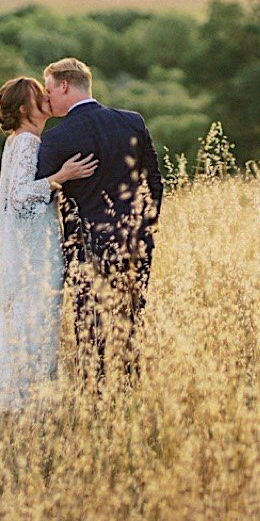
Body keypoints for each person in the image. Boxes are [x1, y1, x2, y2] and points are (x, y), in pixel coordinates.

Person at [0, 76, 97, 419]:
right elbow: (20, 198)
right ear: (25, 108)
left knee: (26, 321)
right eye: (40, 96)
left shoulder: (19, 141)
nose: (47, 99)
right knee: (33, 321)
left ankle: (19, 400)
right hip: (33, 250)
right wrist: (62, 176)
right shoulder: (26, 143)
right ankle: (24, 403)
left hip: (27, 245)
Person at [34, 57, 163, 382]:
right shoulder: (132, 121)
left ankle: (99, 397)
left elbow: (39, 198)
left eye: (49, 90)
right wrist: (144, 226)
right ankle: (132, 387)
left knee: (90, 327)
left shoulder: (57, 138)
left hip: (86, 248)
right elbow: (155, 182)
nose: (46, 99)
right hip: (137, 242)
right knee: (132, 318)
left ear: (64, 85)